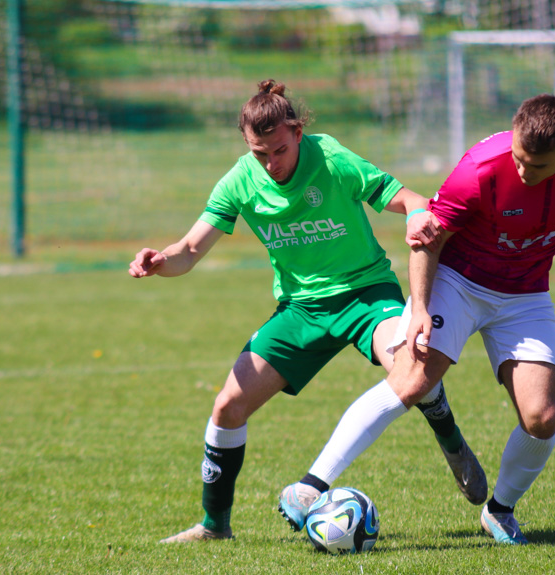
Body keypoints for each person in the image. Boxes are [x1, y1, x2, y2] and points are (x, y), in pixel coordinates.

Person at [128, 79, 487, 542]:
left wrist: (419, 215)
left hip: (365, 293)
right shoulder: (240, 180)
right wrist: (161, 262)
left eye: (279, 150)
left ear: (297, 132)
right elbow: (190, 250)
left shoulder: (331, 159)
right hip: (301, 310)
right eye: (260, 153)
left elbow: (408, 199)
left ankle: (450, 437)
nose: (271, 164)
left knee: (408, 366)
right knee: (227, 407)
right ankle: (215, 527)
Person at [280, 94, 555, 545]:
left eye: (537, 167)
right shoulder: (479, 170)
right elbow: (427, 240)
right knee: (410, 383)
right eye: (519, 158)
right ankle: (310, 487)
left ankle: (499, 511)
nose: (523, 172)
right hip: (458, 280)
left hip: (525, 293)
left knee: (542, 416)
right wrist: (419, 307)